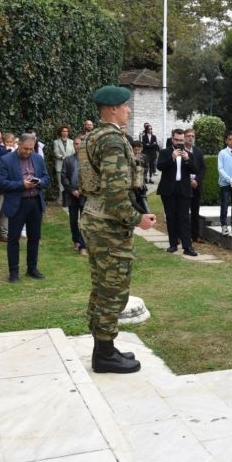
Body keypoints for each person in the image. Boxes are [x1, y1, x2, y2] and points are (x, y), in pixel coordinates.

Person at [80, 85, 156, 374]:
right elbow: (114, 194)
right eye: (125, 106)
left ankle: (105, 348)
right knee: (112, 288)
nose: (129, 109)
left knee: (103, 287)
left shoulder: (95, 136)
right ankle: (104, 354)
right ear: (112, 109)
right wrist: (138, 219)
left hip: (97, 220)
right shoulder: (111, 140)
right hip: (108, 226)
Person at [0, 133, 50, 283]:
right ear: (18, 144)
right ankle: (13, 271)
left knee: (34, 237)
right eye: (25, 148)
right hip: (17, 204)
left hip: (35, 202)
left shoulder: (38, 159)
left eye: (31, 149)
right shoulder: (6, 160)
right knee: (13, 239)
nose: (28, 152)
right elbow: (2, 182)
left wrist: (39, 182)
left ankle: (32, 268)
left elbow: (47, 178)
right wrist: (21, 184)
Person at [157, 128, 199, 256]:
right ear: (172, 138)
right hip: (169, 189)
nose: (179, 142)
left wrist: (187, 160)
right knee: (171, 218)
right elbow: (160, 166)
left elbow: (195, 169)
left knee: (184, 218)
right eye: (177, 140)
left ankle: (187, 247)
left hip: (184, 189)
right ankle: (173, 244)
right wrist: (172, 158)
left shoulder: (188, 154)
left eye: (181, 140)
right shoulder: (165, 152)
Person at [62, 133, 87, 255]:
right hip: (71, 194)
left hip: (84, 194)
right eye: (76, 144)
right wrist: (72, 190)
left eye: (81, 143)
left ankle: (83, 245)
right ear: (74, 145)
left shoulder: (89, 161)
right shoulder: (68, 160)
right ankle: (76, 240)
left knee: (84, 220)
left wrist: (83, 190)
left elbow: (91, 177)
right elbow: (64, 177)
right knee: (73, 220)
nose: (78, 146)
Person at [184, 127, 206, 243]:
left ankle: (195, 235)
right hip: (185, 186)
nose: (190, 138)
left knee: (195, 212)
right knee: (183, 213)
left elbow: (203, 169)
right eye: (188, 136)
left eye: (192, 136)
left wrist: (197, 180)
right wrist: (188, 181)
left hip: (196, 186)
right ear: (184, 137)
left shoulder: (198, 151)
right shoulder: (181, 151)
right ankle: (182, 235)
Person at [217, 130, 232, 235]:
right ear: (226, 141)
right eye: (230, 140)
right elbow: (220, 169)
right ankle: (224, 225)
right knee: (224, 204)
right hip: (225, 183)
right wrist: (229, 179)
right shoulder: (222, 153)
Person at [52, 125, 75, 194]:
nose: (65, 132)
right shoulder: (56, 142)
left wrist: (70, 159)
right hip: (60, 164)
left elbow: (73, 152)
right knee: (60, 184)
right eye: (63, 131)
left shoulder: (71, 141)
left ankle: (70, 200)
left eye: (66, 131)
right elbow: (56, 153)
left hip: (70, 165)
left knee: (70, 182)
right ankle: (61, 199)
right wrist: (63, 158)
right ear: (60, 132)